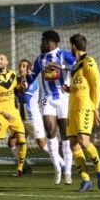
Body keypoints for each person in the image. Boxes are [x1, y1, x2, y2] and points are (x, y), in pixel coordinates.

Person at [26, 30, 77, 184]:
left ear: (51, 42)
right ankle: (57, 169)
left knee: (65, 134)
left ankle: (68, 170)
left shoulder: (64, 54)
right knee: (50, 131)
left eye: (44, 41)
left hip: (64, 99)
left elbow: (77, 68)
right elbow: (31, 77)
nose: (42, 44)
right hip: (47, 99)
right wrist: (26, 76)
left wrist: (60, 66)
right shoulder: (40, 59)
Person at [67, 33, 100, 192]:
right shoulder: (76, 66)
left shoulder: (89, 61)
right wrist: (69, 89)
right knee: (73, 144)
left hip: (85, 107)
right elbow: (80, 86)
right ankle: (85, 179)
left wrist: (95, 107)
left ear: (74, 46)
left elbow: (97, 85)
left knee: (84, 141)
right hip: (73, 108)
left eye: (70, 46)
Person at [16, 59, 64, 183]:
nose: (21, 68)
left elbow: (24, 98)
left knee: (42, 145)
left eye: (24, 66)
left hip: (33, 119)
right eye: (20, 66)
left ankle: (62, 164)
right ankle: (23, 165)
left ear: (29, 69)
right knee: (12, 143)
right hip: (21, 119)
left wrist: (14, 90)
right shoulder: (17, 81)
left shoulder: (33, 83)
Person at [0, 54, 28, 177]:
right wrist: (3, 113)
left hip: (14, 112)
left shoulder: (13, 75)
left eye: (1, 59)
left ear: (7, 62)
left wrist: (22, 87)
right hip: (0, 114)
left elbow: (18, 88)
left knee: (22, 138)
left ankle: (20, 168)